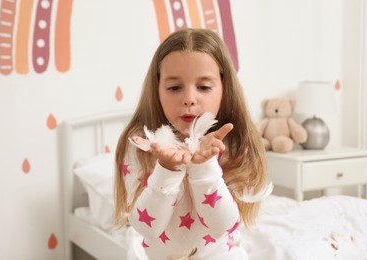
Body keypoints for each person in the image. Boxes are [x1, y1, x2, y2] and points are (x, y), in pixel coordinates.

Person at [114, 28, 270, 259]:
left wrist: (203, 166)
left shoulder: (234, 143)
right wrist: (166, 170)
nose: (188, 98)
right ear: (156, 90)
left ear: (224, 90)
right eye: (174, 87)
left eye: (204, 87)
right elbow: (147, 227)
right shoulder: (141, 145)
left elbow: (222, 227)